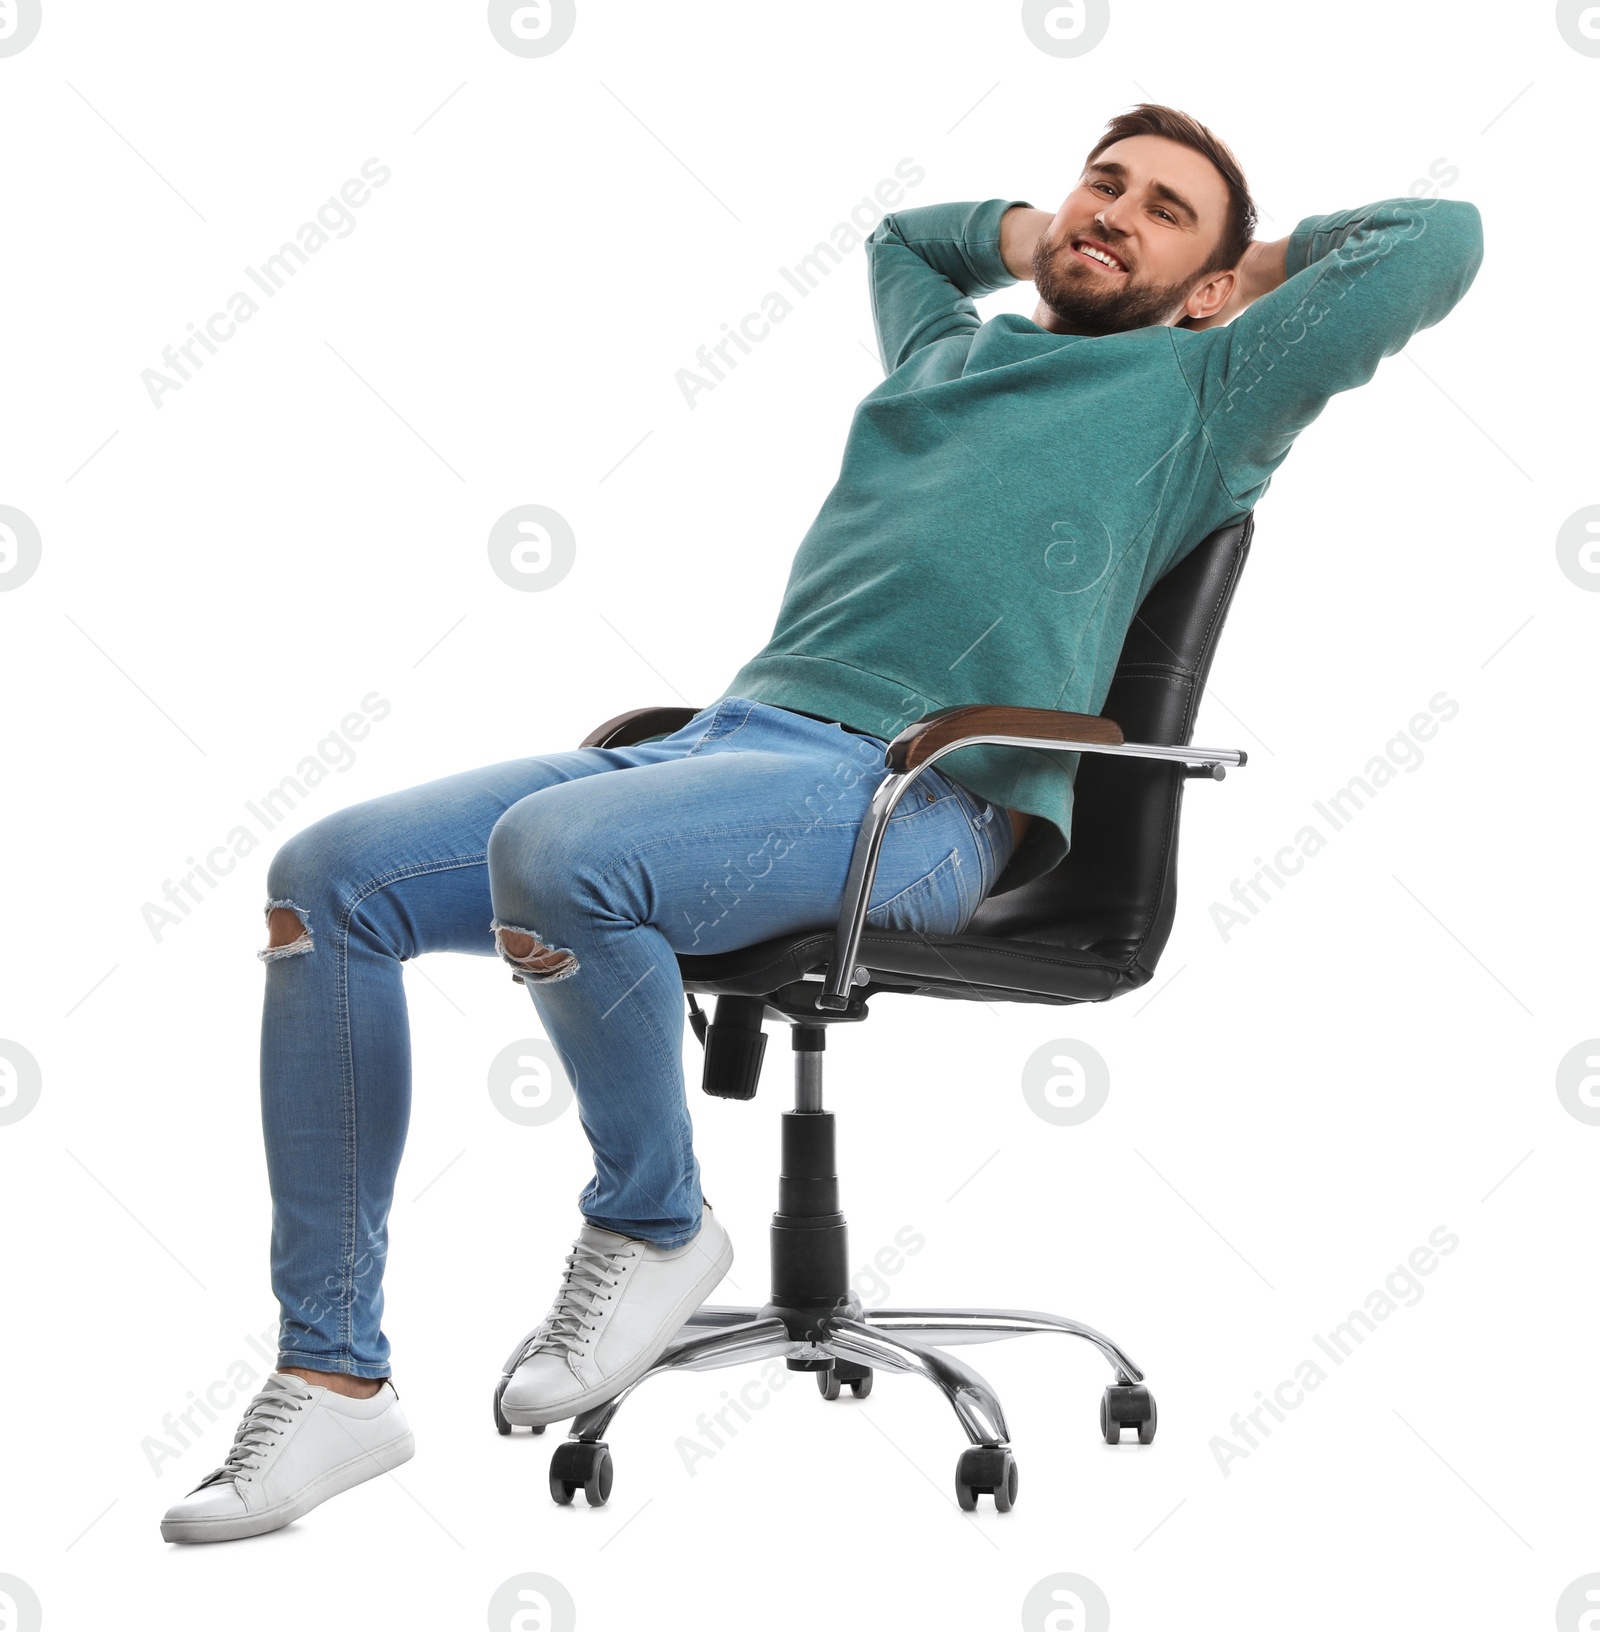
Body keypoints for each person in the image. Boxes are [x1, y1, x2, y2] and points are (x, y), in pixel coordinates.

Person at [160, 102, 1482, 1542]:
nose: (1117, 212)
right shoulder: (948, 353)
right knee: (325, 882)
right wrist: (1053, 237)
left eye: (1167, 209)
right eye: (1102, 185)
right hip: (733, 743)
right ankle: (334, 1377)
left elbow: (1440, 241)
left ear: (1221, 282)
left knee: (554, 860)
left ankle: (656, 1227)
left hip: (918, 798)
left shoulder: (1214, 388)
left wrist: (1243, 267)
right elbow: (904, 243)